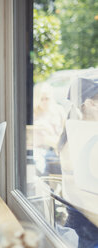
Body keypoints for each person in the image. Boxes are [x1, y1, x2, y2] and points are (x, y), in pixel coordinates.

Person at [57, 74, 98, 248]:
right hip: (87, 237)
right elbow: (87, 203)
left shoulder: (76, 135)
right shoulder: (83, 142)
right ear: (90, 103)